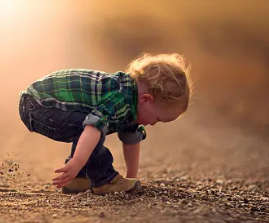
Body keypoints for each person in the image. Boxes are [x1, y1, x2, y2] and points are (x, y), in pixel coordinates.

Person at [18, 53, 192, 195]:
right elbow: (93, 127)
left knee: (89, 128)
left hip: (41, 104)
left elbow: (131, 139)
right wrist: (78, 160)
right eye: (158, 119)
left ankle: (79, 180)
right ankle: (104, 180)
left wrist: (132, 177)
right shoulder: (119, 98)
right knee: (91, 129)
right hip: (38, 105)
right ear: (146, 100)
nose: (153, 124)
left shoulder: (132, 104)